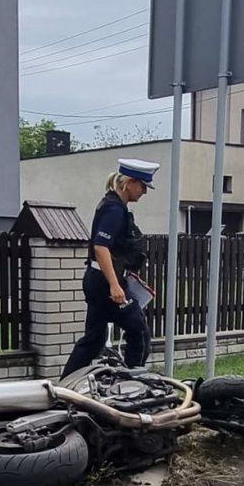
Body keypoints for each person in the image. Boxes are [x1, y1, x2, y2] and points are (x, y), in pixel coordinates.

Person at [60, 158, 158, 377]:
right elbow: (101, 247)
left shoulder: (113, 205)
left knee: (93, 340)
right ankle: (135, 382)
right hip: (105, 283)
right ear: (129, 182)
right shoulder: (114, 209)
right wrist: (115, 285)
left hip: (97, 280)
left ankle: (63, 388)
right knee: (138, 330)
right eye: (143, 186)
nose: (144, 192)